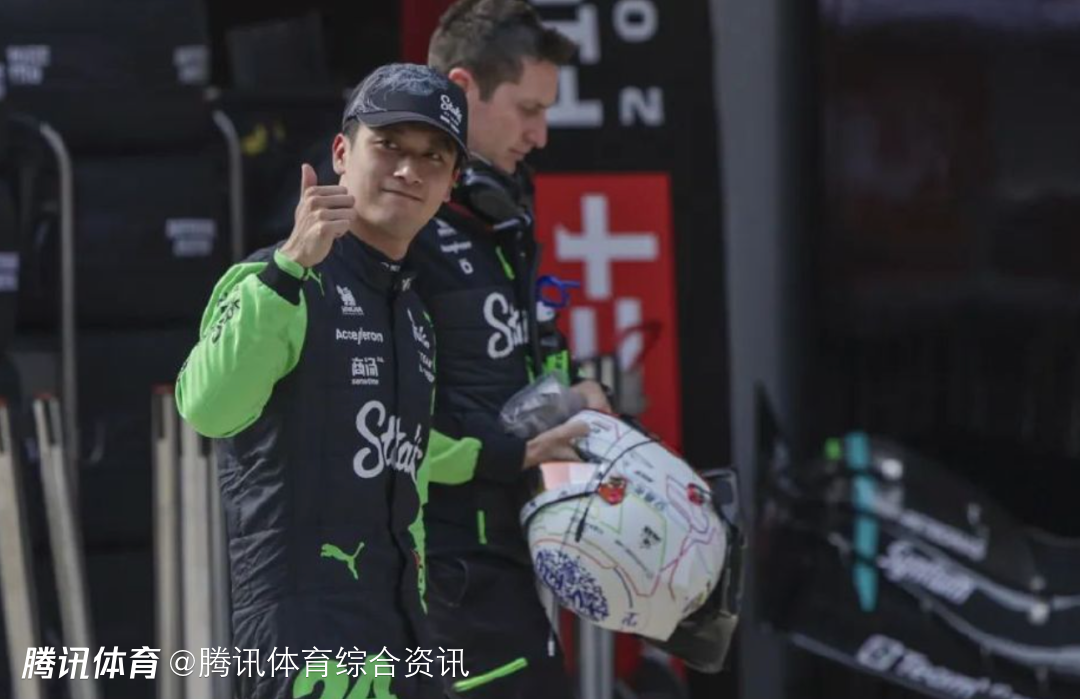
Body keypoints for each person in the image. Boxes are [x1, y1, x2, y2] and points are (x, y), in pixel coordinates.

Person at [175, 62, 468, 699]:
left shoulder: (414, 316)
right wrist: (288, 269)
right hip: (304, 647)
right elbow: (206, 407)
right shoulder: (275, 280)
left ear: (450, 186)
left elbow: (409, 475)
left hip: (403, 639)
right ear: (341, 153)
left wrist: (512, 453)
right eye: (388, 145)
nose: (409, 170)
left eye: (433, 157)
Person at [412, 2, 612, 697]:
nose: (540, 134)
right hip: (434, 568)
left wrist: (575, 391)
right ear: (463, 89)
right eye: (528, 109)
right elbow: (373, 420)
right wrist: (507, 452)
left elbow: (523, 349)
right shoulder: (390, 222)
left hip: (499, 553)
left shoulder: (499, 208)